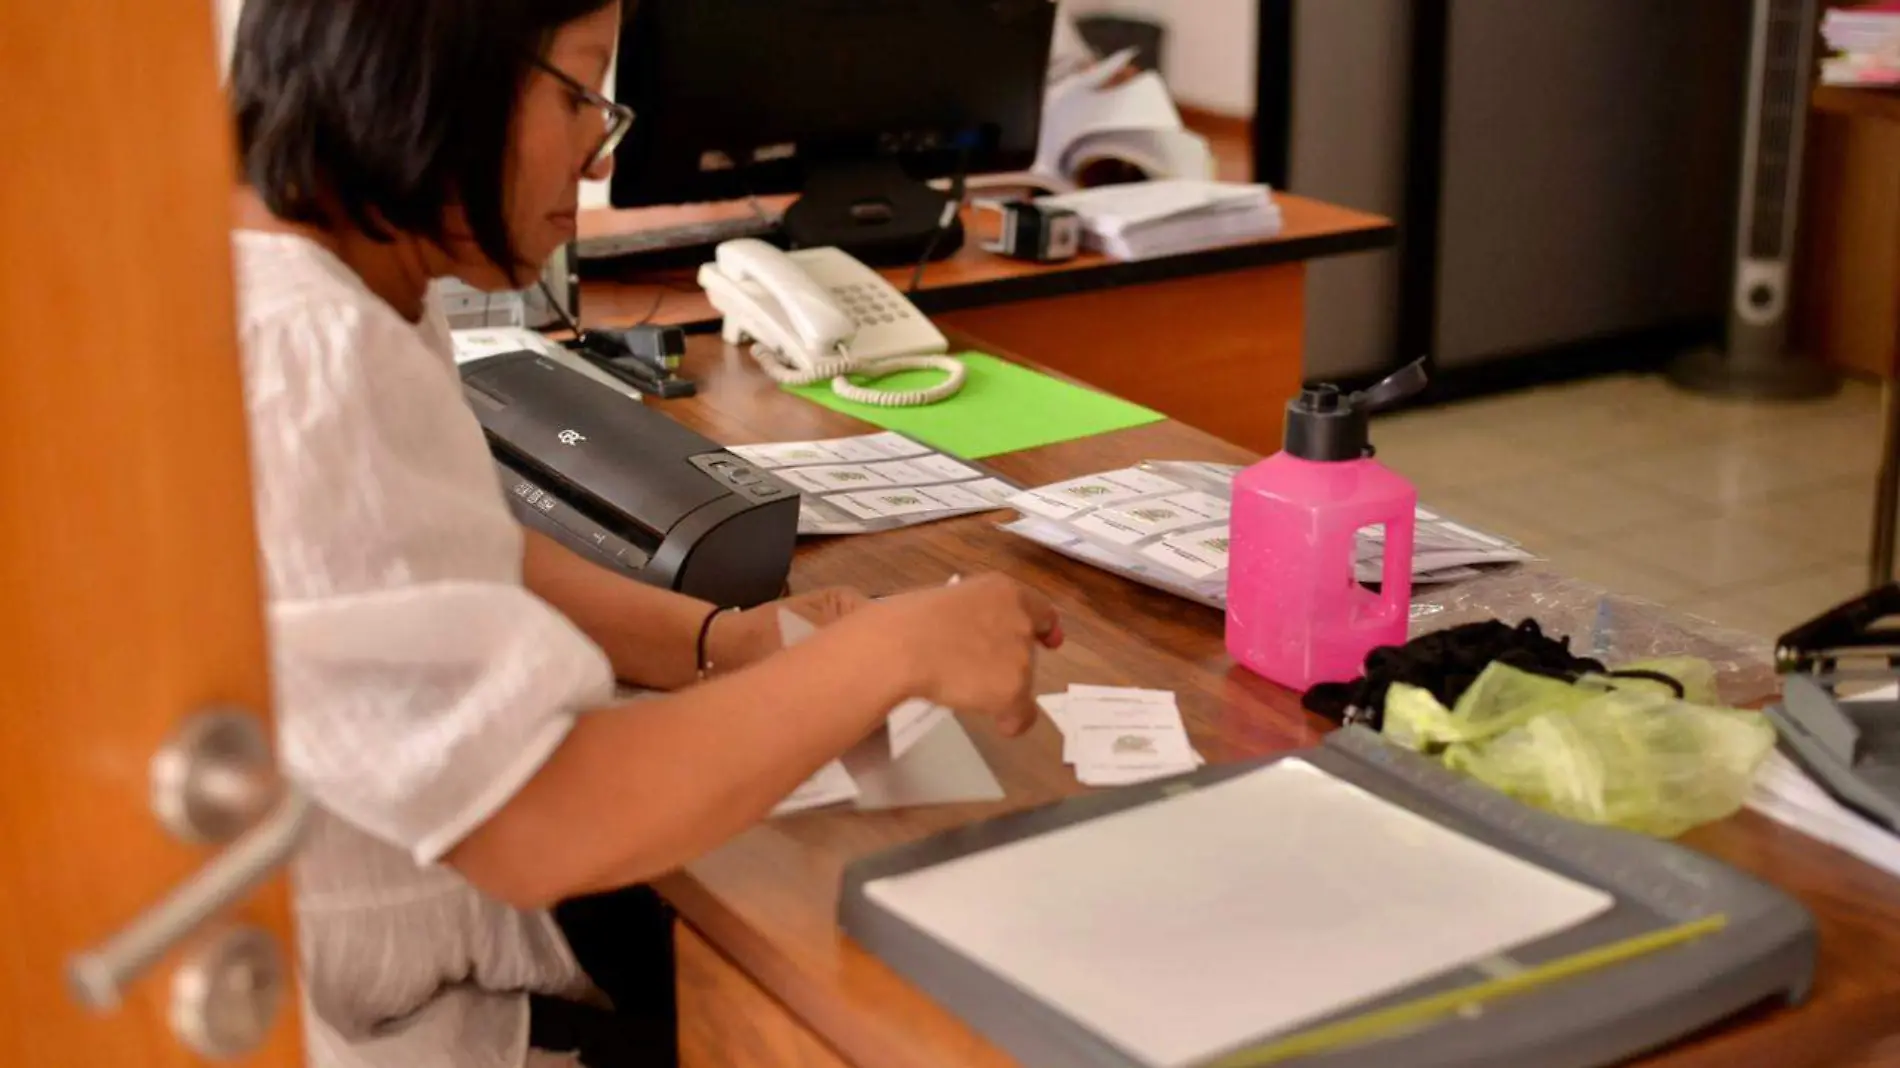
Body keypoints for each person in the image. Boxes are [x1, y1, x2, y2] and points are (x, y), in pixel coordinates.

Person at [225, 1, 1062, 1066]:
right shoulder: (315, 352)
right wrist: (889, 653)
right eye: (579, 89)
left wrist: (725, 640)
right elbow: (540, 825)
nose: (597, 141)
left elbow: (454, 554)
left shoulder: (331, 275)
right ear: (433, 71)